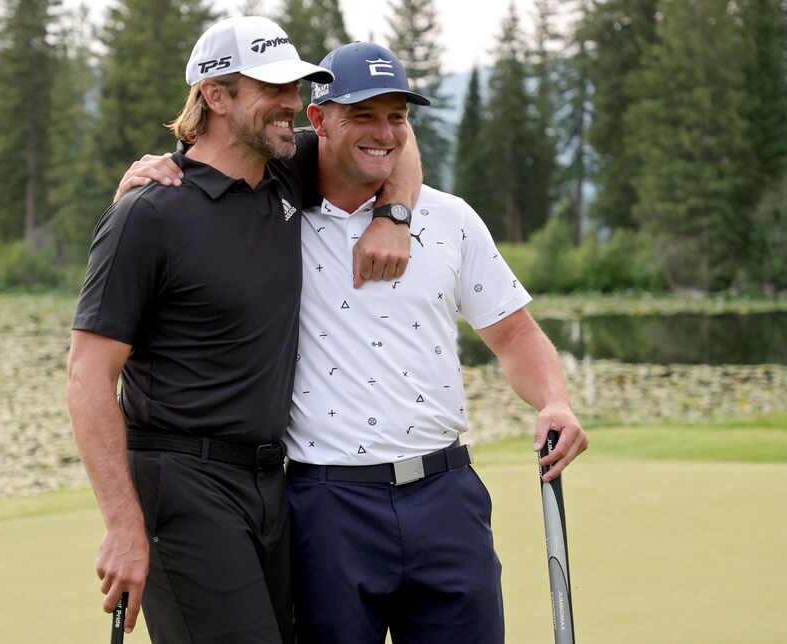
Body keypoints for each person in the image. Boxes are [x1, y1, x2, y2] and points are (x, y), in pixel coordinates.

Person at [120, 41, 589, 643]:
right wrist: (151, 184)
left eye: (397, 116)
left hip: (446, 496)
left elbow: (515, 333)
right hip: (325, 506)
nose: (384, 133)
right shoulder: (273, 214)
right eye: (362, 115)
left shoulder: (449, 220)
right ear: (317, 120)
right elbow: (205, 203)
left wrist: (554, 398)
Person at [66, 18, 418, 644]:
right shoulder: (147, 214)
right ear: (216, 96)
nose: (292, 104)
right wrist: (122, 525)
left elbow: (392, 139)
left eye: (297, 87)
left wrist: (394, 214)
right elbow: (88, 377)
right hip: (182, 484)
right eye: (273, 88)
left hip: (270, 485)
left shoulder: (285, 173)